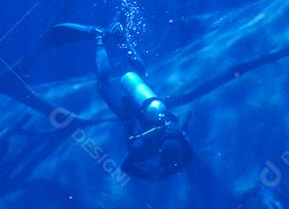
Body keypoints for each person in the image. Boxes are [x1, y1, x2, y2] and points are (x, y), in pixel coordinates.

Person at [48, 22, 193, 180]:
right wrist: (151, 175)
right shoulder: (144, 147)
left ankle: (121, 37)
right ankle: (98, 38)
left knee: (140, 74)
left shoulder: (180, 136)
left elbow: (187, 115)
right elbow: (126, 167)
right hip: (128, 112)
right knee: (103, 84)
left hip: (151, 101)